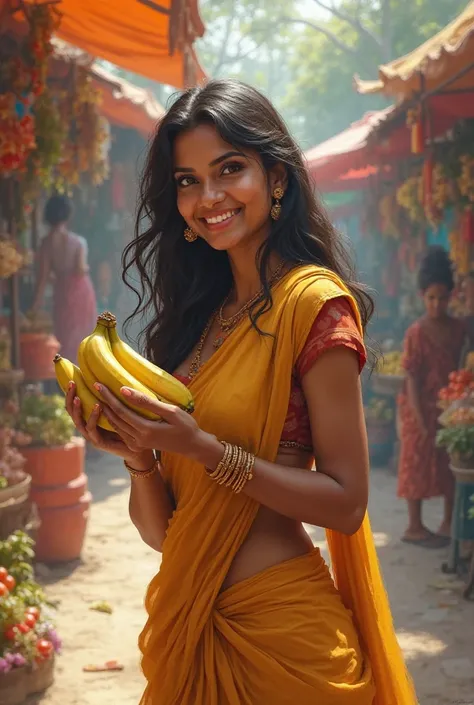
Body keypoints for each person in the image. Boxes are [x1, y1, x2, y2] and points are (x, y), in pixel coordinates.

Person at [65, 80, 416, 704]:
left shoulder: (314, 306)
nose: (210, 197)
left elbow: (347, 503)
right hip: (190, 627)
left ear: (276, 177)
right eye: (187, 180)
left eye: (231, 169)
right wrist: (137, 451)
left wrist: (206, 451)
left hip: (285, 643)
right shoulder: (200, 323)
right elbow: (164, 535)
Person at [398, 246, 467, 547]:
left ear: (451, 296)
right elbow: (410, 375)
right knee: (416, 462)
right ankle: (414, 525)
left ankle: (447, 521)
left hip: (450, 407)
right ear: (422, 297)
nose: (436, 304)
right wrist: (418, 416)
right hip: (418, 407)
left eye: (442, 297)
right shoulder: (416, 331)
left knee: (449, 463)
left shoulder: (459, 329)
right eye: (431, 298)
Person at [31, 195, 97, 362]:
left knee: (64, 334)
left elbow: (43, 277)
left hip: (61, 292)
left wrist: (35, 305)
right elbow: (81, 269)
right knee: (83, 334)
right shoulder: (78, 242)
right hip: (80, 291)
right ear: (68, 215)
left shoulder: (46, 243)